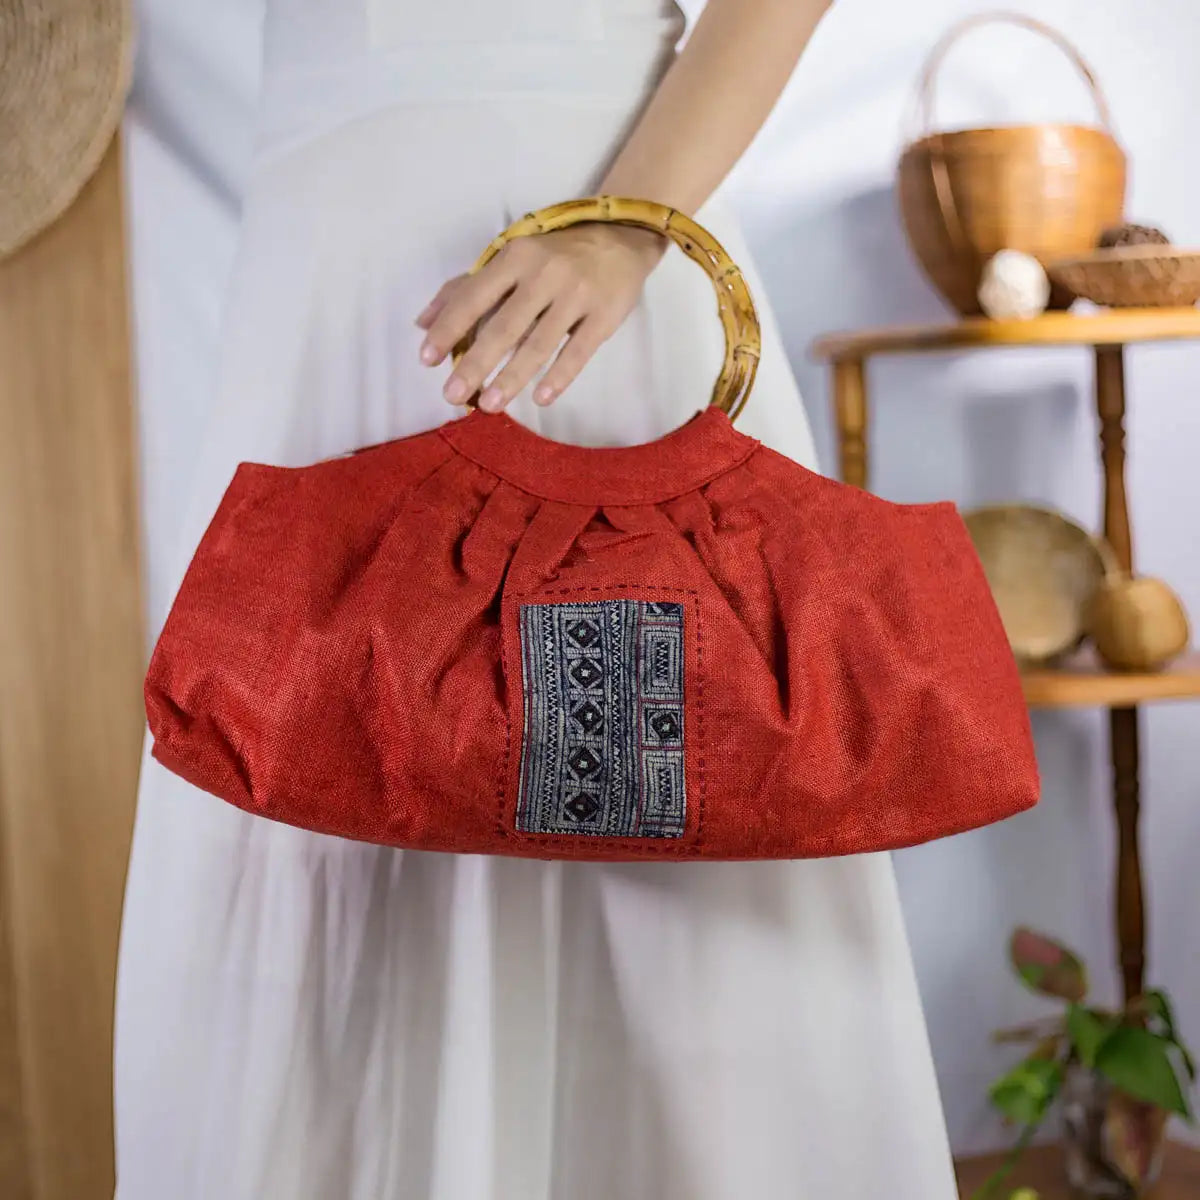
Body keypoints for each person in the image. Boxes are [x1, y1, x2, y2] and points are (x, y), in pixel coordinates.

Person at [115, 2, 959, 1197]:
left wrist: (625, 228)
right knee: (311, 762)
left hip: (581, 235)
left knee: (647, 790)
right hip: (322, 253)